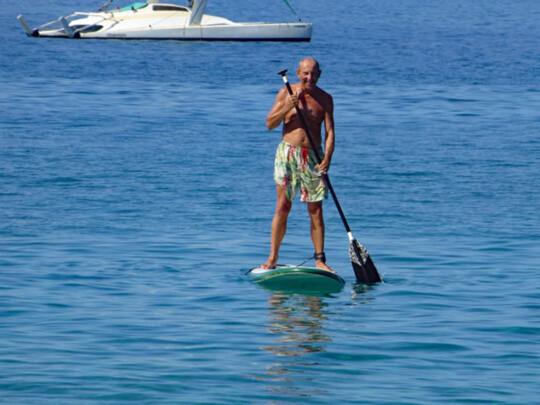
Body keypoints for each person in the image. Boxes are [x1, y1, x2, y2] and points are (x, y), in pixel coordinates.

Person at [261, 57, 336, 272]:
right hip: (287, 155)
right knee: (283, 207)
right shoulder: (286, 92)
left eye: (313, 73)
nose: (309, 77)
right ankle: (273, 257)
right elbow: (269, 123)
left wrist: (327, 157)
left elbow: (330, 132)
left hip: (313, 157)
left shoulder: (325, 99)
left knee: (316, 210)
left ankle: (320, 260)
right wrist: (287, 106)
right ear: (297, 73)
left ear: (319, 74)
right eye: (305, 73)